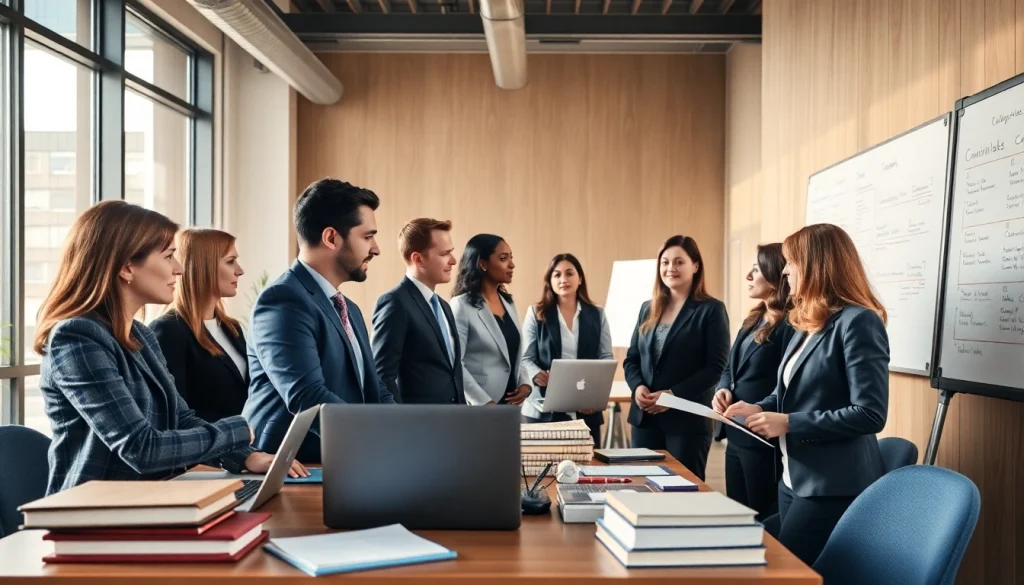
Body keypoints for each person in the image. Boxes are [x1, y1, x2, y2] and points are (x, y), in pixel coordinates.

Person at [35, 201, 303, 495]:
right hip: (93, 513)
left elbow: (180, 418)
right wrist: (236, 431)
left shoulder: (140, 335)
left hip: (153, 499)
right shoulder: (77, 337)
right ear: (126, 267)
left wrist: (245, 456)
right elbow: (141, 448)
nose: (178, 269)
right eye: (168, 256)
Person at [724, 223, 889, 566]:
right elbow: (788, 393)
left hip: (832, 484)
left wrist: (789, 423)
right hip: (792, 477)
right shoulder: (808, 321)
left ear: (816, 265)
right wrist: (757, 406)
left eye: (791, 262)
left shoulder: (859, 322)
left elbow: (870, 413)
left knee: (782, 569)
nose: (784, 270)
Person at [244, 179, 395, 463]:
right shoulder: (283, 301)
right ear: (331, 238)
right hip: (293, 467)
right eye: (367, 236)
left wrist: (405, 432)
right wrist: (376, 440)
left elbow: (373, 388)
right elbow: (308, 397)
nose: (376, 249)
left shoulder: (347, 307)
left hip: (342, 460)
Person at [623, 235, 729, 482]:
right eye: (665, 262)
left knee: (683, 492)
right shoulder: (647, 308)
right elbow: (632, 359)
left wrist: (673, 396)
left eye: (679, 262)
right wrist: (637, 386)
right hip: (644, 417)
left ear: (695, 265)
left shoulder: (711, 310)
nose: (671, 268)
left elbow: (715, 367)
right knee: (641, 488)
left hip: (687, 422)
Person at [711, 243, 794, 521]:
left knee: (761, 518)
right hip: (735, 433)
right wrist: (723, 388)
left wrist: (757, 408)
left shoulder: (791, 325)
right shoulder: (754, 318)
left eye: (756, 269)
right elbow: (729, 367)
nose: (748, 275)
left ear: (775, 275)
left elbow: (788, 384)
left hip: (762, 436)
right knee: (736, 515)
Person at [150, 229, 249, 422]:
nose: (240, 270)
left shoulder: (232, 328)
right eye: (230, 261)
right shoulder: (168, 331)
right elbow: (175, 414)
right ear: (204, 266)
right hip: (211, 448)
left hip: (247, 444)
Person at [520, 253, 614, 446]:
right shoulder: (536, 313)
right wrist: (536, 374)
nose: (563, 279)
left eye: (569, 273)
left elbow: (605, 357)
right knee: (543, 471)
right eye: (557, 275)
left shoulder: (598, 314)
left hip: (586, 409)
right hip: (543, 410)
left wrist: (593, 397)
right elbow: (525, 358)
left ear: (579, 278)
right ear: (550, 281)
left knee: (588, 469)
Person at [371, 218, 465, 404]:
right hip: (417, 426)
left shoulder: (444, 306)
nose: (453, 261)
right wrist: (400, 422)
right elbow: (382, 376)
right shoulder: (395, 303)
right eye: (445, 254)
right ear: (418, 258)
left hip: (454, 423)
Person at [450, 234, 531, 406]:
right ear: (482, 264)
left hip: (511, 406)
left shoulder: (509, 302)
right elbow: (456, 363)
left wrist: (525, 385)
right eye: (503, 258)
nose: (512, 264)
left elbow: (516, 354)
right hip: (480, 408)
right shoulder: (461, 306)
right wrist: (484, 402)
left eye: (511, 257)